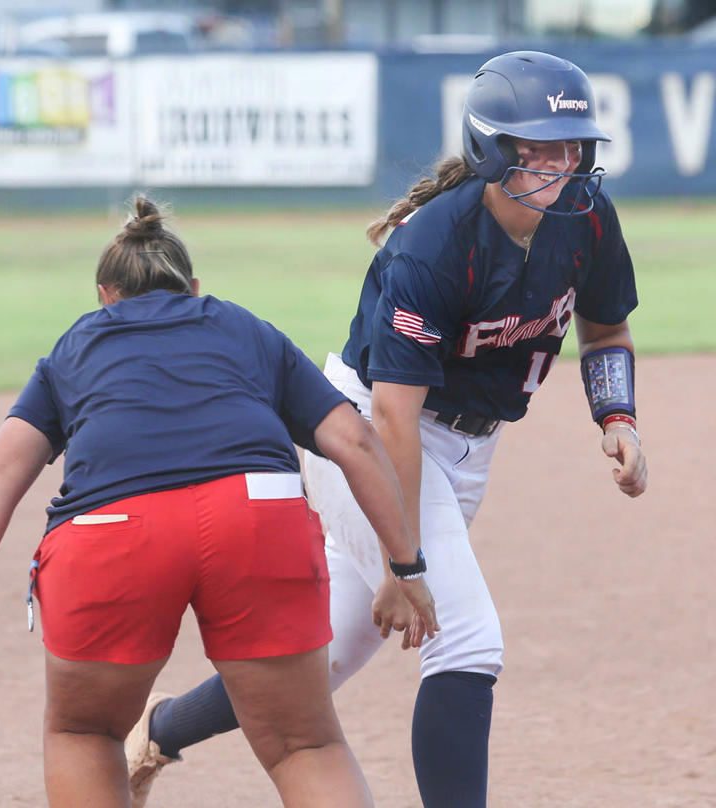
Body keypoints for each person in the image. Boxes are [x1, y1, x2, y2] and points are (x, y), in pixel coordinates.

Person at [123, 50, 649, 808]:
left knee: (318, 660)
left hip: (464, 449)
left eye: (570, 150)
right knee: (468, 640)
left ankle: (157, 733)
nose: (558, 167)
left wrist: (617, 416)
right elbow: (395, 417)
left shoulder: (587, 222)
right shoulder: (435, 245)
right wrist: (408, 567)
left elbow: (606, 331)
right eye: (535, 150)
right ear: (490, 150)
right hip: (366, 435)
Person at [0, 196, 440, 808]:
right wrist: (405, 563)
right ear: (193, 288)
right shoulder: (244, 327)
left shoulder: (76, 346)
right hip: (257, 513)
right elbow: (355, 441)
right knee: (303, 745)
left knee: (85, 731)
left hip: (112, 530)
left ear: (105, 296)